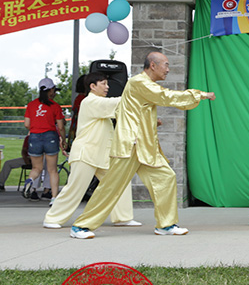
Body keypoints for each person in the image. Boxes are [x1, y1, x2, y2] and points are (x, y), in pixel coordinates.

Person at [69, 52, 215, 239]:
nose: (168, 69)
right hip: (130, 145)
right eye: (166, 65)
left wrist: (153, 122)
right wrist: (200, 94)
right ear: (153, 65)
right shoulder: (139, 82)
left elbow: (134, 111)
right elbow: (166, 97)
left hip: (145, 147)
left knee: (166, 177)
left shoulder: (144, 85)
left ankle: (166, 225)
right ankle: (81, 226)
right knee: (111, 187)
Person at [42, 72, 139, 229]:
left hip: (102, 155)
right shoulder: (90, 101)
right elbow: (119, 103)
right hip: (86, 154)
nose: (107, 87)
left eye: (107, 84)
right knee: (75, 188)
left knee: (120, 182)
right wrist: (138, 92)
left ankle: (123, 217)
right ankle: (52, 219)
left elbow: (122, 112)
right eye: (103, 84)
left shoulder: (100, 104)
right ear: (92, 86)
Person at [23, 78, 67, 201]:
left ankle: (30, 180)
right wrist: (63, 140)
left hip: (34, 137)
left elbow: (27, 124)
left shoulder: (31, 105)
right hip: (50, 137)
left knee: (36, 168)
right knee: (52, 170)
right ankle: (53, 198)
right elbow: (61, 126)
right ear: (51, 90)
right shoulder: (55, 106)